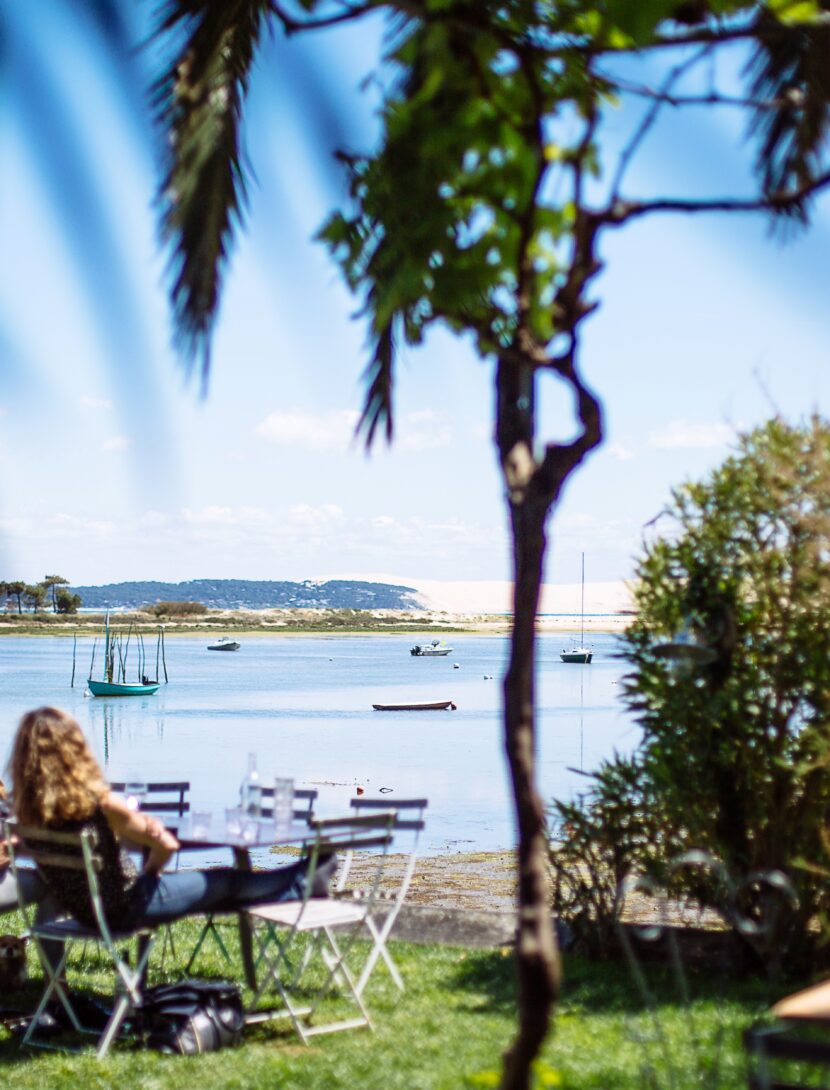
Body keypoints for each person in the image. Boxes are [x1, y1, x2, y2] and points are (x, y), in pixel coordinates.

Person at [8, 707, 335, 933]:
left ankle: (298, 880)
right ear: (75, 751)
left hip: (84, 913)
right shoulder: (102, 805)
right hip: (128, 908)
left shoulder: (26, 813)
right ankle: (299, 882)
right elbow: (165, 845)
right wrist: (150, 874)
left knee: (222, 891)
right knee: (221, 881)